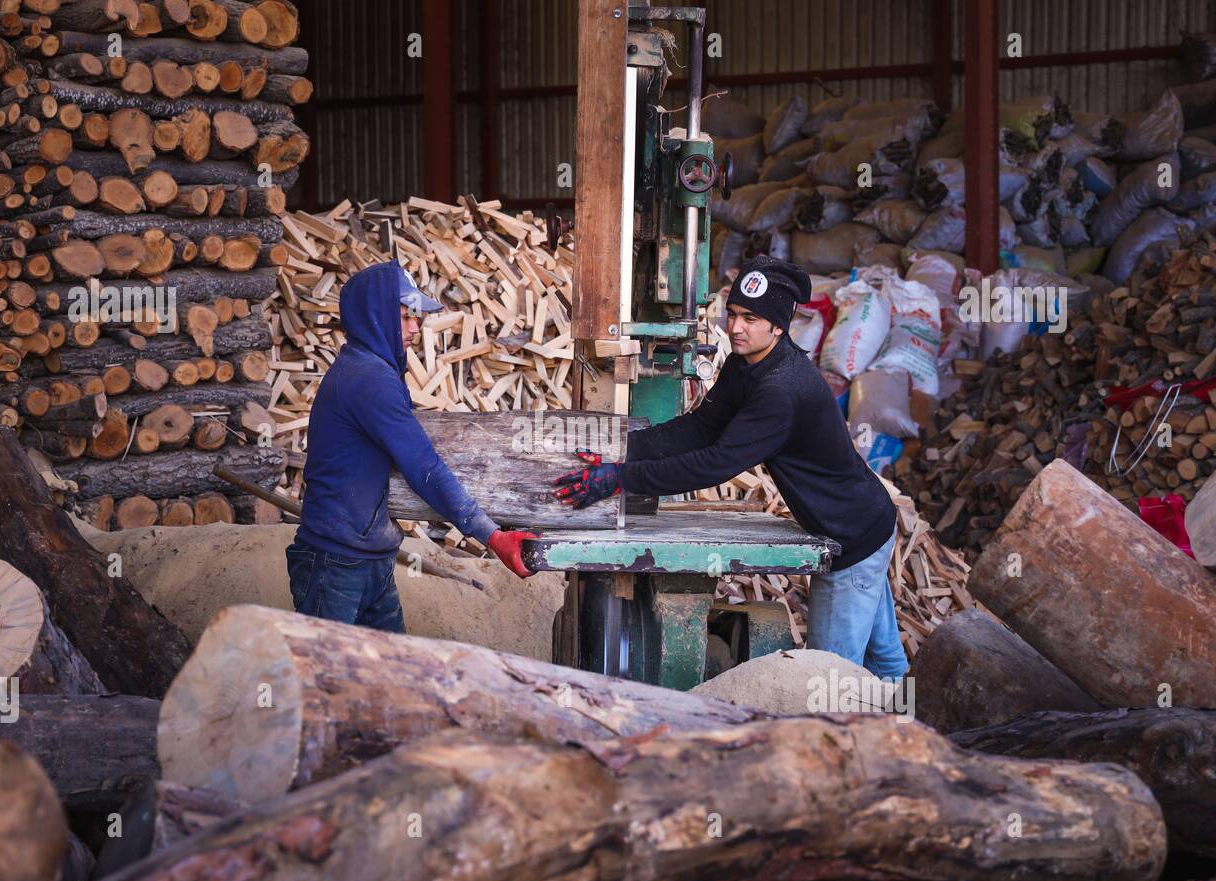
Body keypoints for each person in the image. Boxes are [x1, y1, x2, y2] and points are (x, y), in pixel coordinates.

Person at [553, 255, 908, 681]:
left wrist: (621, 480)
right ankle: (908, 735)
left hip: (854, 537)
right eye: (734, 314)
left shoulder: (782, 390)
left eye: (752, 318)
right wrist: (624, 451)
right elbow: (701, 427)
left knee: (828, 681)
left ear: (779, 326)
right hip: (863, 519)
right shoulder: (747, 364)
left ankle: (866, 744)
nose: (735, 328)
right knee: (885, 665)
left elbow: (716, 462)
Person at [289, 260, 536, 631]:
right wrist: (492, 534)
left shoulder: (375, 370)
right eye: (404, 317)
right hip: (335, 564)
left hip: (368, 555)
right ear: (375, 318)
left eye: (416, 317)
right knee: (327, 682)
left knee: (390, 676)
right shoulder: (367, 379)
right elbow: (423, 466)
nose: (415, 328)